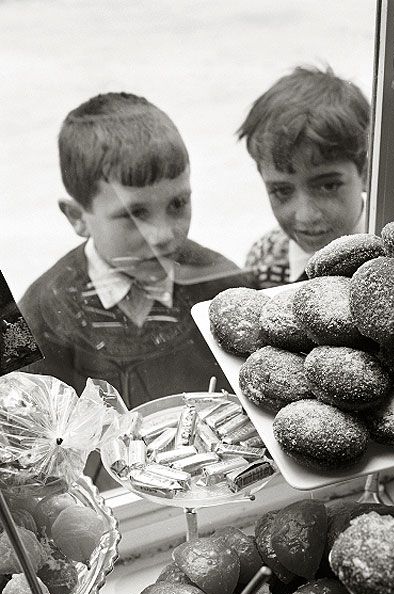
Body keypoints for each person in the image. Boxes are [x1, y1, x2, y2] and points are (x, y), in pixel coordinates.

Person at [19, 92, 254, 410]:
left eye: (177, 204)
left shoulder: (222, 287)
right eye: (135, 214)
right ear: (77, 217)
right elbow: (20, 428)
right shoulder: (40, 312)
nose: (163, 235)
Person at [238, 66, 371, 287]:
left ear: (366, 172)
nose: (306, 216)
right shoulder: (265, 260)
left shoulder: (391, 263)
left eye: (328, 186)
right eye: (282, 191)